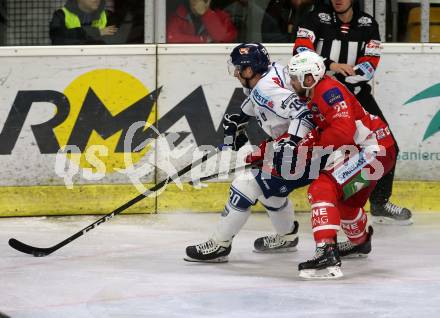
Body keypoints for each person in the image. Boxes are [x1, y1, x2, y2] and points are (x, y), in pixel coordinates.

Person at [184, 43, 316, 262]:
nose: (236, 72)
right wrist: (240, 117)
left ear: (251, 69)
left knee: (244, 185)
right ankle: (287, 236)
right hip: (310, 149)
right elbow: (263, 98)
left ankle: (219, 244)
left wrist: (286, 145)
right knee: (270, 192)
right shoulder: (271, 72)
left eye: (239, 68)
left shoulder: (265, 89)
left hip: (304, 151)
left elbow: (304, 115)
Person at [279, 50, 397, 279]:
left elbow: (343, 132)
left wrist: (311, 148)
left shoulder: (328, 91)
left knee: (321, 189)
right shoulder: (316, 92)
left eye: (295, 77)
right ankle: (360, 242)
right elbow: (330, 127)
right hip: (377, 151)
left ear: (310, 78)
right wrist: (309, 141)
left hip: (373, 151)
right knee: (346, 205)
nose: (291, 82)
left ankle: (326, 252)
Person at [292, 0, 412, 224]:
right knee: (299, 140)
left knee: (389, 146)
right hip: (318, 93)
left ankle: (379, 202)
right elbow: (300, 50)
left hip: (355, 94)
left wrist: (347, 76)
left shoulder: (368, 24)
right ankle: (284, 199)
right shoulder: (314, 18)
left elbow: (369, 65)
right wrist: (331, 66)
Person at [50, 0, 118, 45]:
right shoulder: (60, 15)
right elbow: (58, 39)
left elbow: (115, 43)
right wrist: (96, 32)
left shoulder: (109, 16)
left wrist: (79, 37)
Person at [167, 0, 238, 43]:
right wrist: (203, 39)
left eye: (200, 1)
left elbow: (223, 38)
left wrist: (206, 13)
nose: (196, 4)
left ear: (208, 1)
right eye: (194, 0)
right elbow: (171, 38)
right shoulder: (179, 14)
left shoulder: (220, 16)